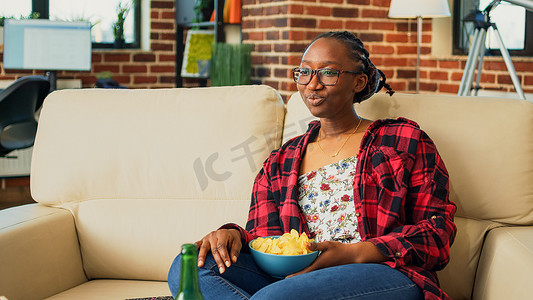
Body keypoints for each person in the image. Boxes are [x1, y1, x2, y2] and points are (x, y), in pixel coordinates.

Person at [168, 31, 457, 300]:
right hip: (294, 279)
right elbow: (267, 240)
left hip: (384, 272)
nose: (312, 84)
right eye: (304, 72)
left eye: (328, 73)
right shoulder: (280, 162)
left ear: (359, 81)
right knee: (189, 264)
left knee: (276, 297)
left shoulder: (403, 140)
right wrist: (234, 235)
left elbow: (436, 234)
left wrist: (354, 253)